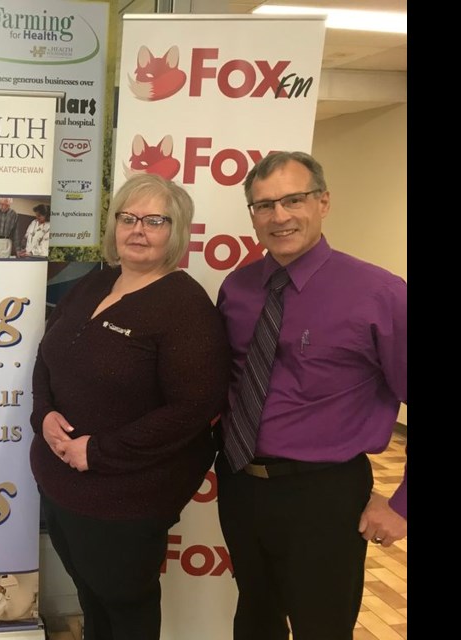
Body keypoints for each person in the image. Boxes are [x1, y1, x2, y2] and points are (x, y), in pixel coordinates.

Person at [215, 151, 407, 640]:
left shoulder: (380, 294)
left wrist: (402, 505)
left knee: (321, 627)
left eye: (293, 200)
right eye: (264, 206)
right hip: (241, 486)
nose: (279, 217)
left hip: (325, 495)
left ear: (323, 202)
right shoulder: (236, 289)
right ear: (252, 216)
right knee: (254, 619)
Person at [30, 172, 230, 640]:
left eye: (154, 221)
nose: (138, 230)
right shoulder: (93, 283)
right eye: (128, 218)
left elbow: (193, 408)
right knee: (90, 595)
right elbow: (46, 355)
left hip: (125, 497)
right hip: (61, 484)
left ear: (175, 231)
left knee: (126, 606)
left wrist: (96, 452)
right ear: (114, 225)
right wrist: (43, 416)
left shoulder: (185, 305)